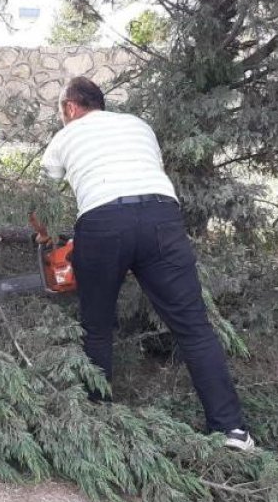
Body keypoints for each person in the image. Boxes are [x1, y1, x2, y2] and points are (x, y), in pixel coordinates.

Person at [41, 76, 255, 451]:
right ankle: (232, 430)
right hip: (162, 218)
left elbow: (46, 195)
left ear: (71, 108)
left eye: (63, 113)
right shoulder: (139, 127)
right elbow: (137, 181)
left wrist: (46, 237)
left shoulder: (64, 137)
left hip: (102, 224)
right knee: (193, 327)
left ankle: (100, 424)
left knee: (97, 329)